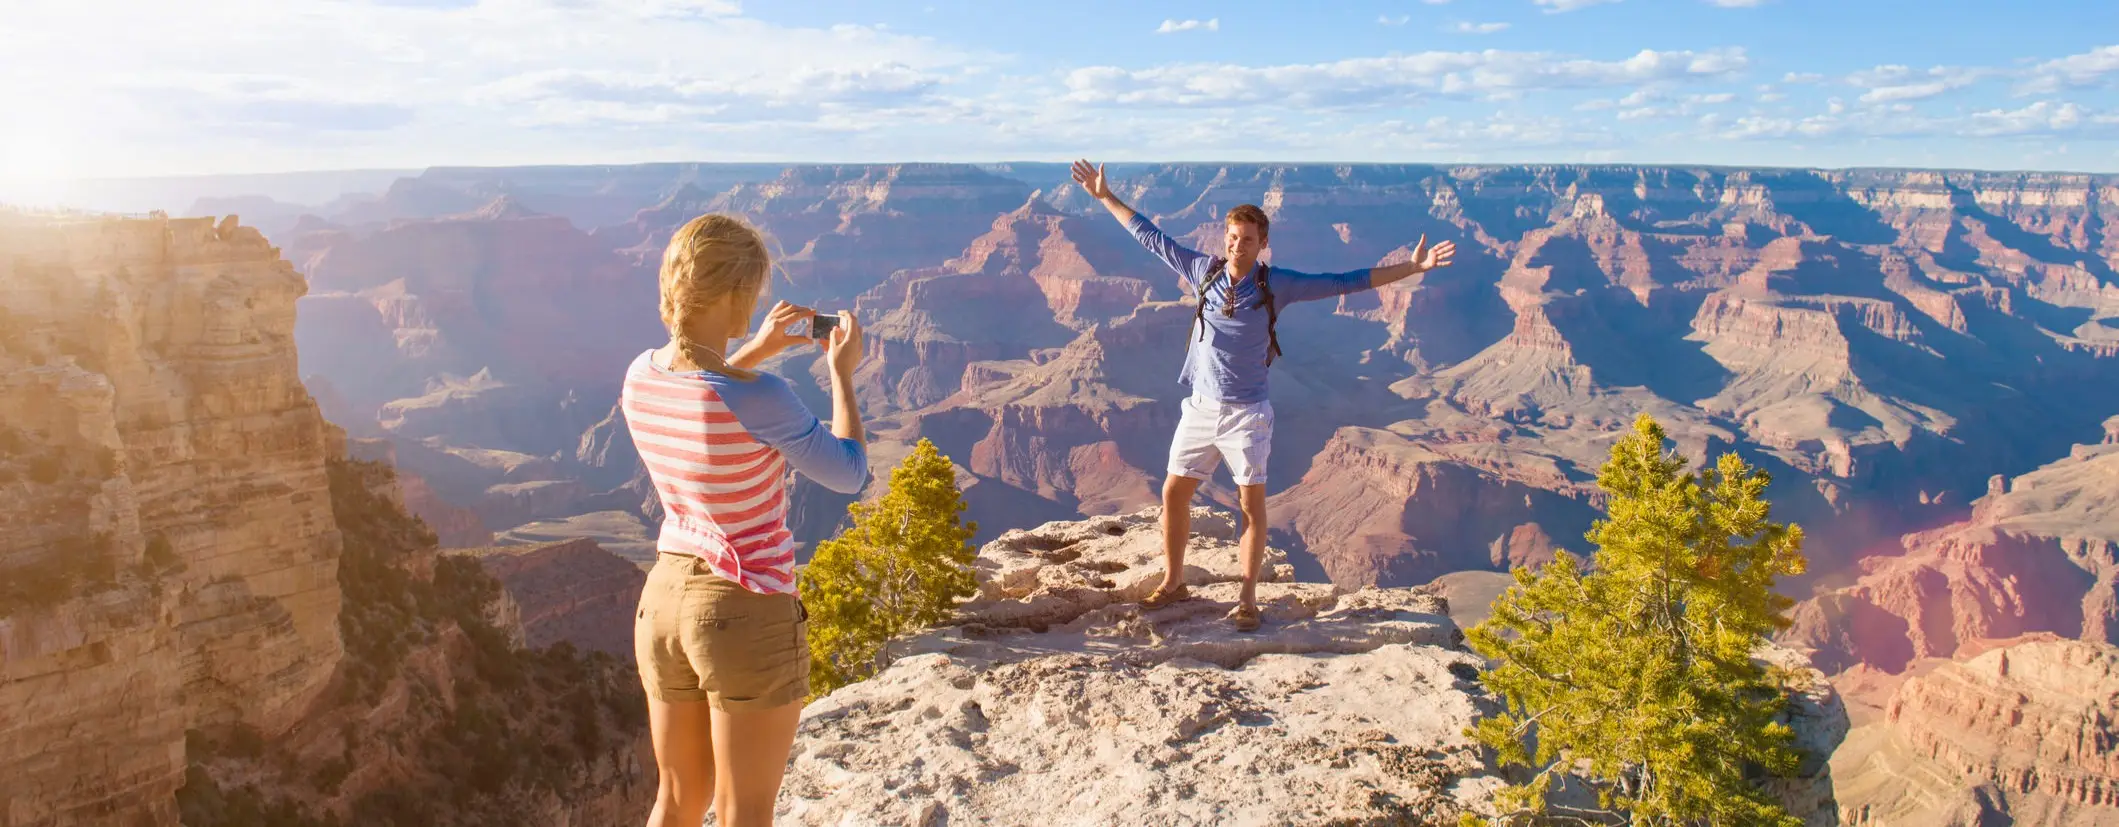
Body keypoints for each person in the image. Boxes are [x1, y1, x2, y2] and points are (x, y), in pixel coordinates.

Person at [1070, 159, 1456, 631]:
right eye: (1233, 238)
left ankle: (1248, 599)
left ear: (1262, 243)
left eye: (1248, 240)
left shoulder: (1278, 285)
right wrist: (1105, 196)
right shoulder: (1201, 270)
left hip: (1247, 414)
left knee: (1251, 508)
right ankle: (1173, 582)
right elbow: (1149, 236)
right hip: (1201, 408)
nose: (1238, 246)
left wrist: (1412, 268)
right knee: (1173, 493)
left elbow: (1345, 281)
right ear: (1224, 238)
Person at [622, 213, 869, 827]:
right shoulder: (763, 398)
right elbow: (849, 472)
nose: (756, 303)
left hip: (663, 605)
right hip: (743, 609)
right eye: (752, 291)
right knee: (744, 812)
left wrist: (756, 350)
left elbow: (707, 388)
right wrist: (841, 376)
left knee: (676, 800)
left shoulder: (640, 376)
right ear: (735, 294)